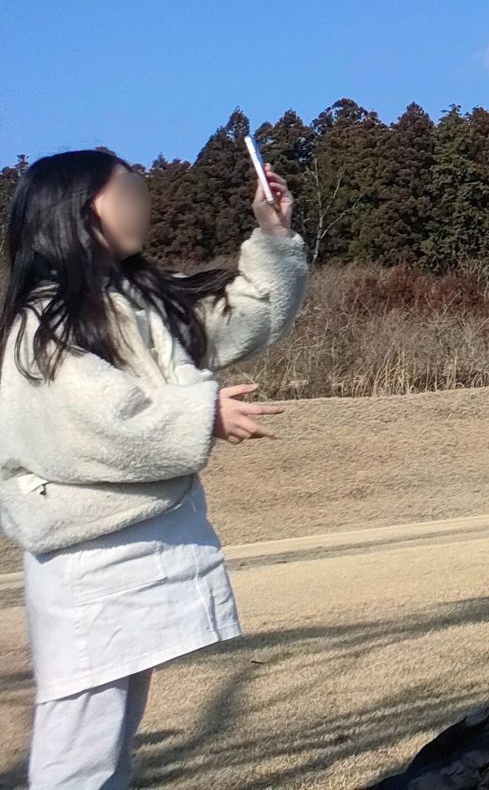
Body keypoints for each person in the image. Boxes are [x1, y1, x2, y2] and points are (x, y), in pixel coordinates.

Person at [0, 149, 309, 790]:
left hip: (133, 549)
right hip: (89, 561)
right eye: (131, 189)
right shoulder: (41, 324)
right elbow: (89, 423)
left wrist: (273, 234)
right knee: (80, 746)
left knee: (109, 741)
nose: (146, 200)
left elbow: (246, 319)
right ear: (82, 211)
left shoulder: (137, 299)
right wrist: (202, 415)